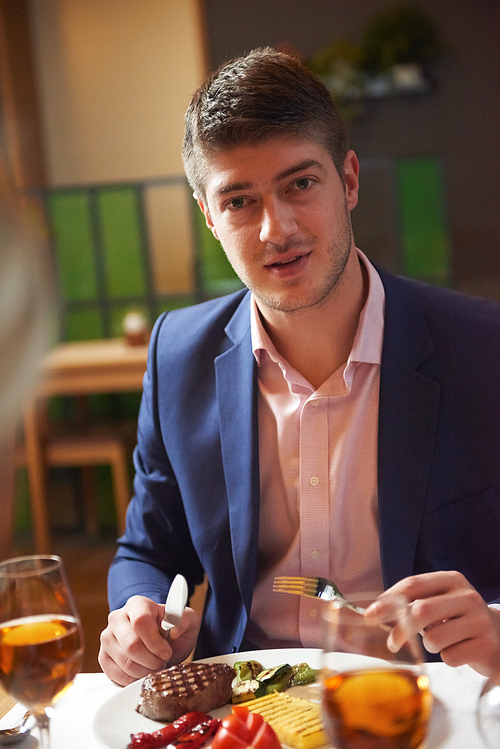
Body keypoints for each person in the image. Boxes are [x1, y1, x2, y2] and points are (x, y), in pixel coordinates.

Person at [98, 48, 500, 686]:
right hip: (244, 705)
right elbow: (149, 551)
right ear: (208, 215)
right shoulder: (178, 355)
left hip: (425, 700)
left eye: (300, 185)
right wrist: (134, 616)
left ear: (349, 181)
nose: (274, 229)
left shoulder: (483, 347)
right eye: (239, 201)